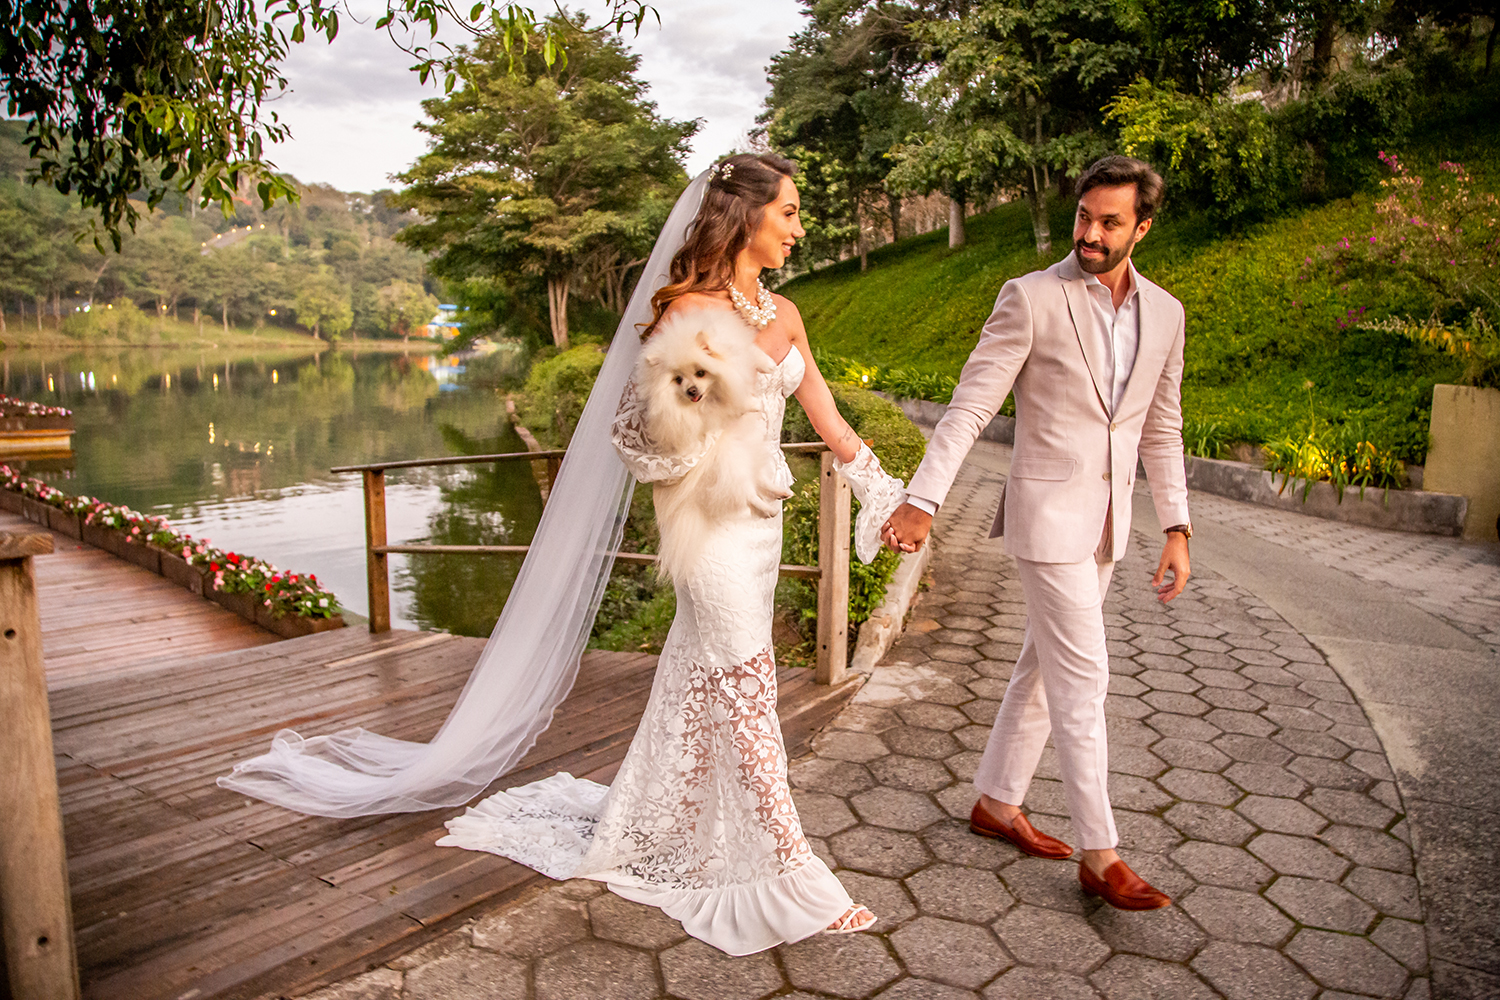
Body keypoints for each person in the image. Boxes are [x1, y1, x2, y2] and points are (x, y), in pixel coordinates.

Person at [438, 152, 907, 952]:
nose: (799, 228)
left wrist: (884, 488)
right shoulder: (684, 310)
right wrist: (694, 416)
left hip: (764, 523)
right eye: (789, 212)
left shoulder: (785, 311)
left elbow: (822, 409)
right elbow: (638, 432)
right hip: (708, 528)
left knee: (703, 671)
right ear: (746, 216)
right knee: (746, 681)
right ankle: (788, 868)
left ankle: (655, 824)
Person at [883, 155, 1192, 911]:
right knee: (1085, 676)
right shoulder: (1029, 297)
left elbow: (1162, 424)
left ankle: (995, 801)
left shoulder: (1167, 313)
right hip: (1046, 518)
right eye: (1084, 216)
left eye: (1109, 222)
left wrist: (1177, 526)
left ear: (1141, 228)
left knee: (1042, 668)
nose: (1090, 232)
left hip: (1109, 523)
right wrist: (924, 498)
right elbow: (968, 408)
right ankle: (1102, 853)